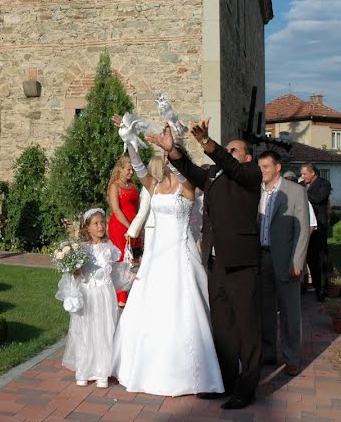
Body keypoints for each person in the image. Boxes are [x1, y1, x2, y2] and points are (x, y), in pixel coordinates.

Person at [151, 119, 263, 410]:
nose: (229, 152)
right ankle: (223, 381)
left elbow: (232, 166)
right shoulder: (213, 175)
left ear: (247, 156)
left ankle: (247, 388)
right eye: (227, 149)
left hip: (242, 262)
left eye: (234, 149)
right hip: (216, 261)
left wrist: (207, 143)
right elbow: (189, 170)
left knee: (247, 327)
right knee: (222, 326)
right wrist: (172, 150)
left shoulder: (251, 173)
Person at [112, 139, 225, 397]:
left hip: (180, 254)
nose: (165, 162)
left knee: (185, 306)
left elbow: (185, 176)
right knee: (149, 307)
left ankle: (193, 371)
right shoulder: (155, 185)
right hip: (156, 254)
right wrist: (130, 140)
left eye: (170, 157)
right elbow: (140, 168)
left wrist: (176, 157)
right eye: (164, 158)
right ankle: (140, 367)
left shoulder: (187, 187)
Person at [56, 208, 134, 388]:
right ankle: (84, 369)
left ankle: (102, 371)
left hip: (105, 295)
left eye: (102, 222)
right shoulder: (80, 250)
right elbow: (74, 275)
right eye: (96, 223)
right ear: (88, 228)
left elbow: (114, 272)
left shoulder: (110, 249)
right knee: (85, 330)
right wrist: (74, 279)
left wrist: (130, 277)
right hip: (87, 294)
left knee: (104, 329)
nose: (100, 226)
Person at [258, 151, 311, 376]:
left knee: (289, 311)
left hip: (286, 258)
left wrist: (297, 260)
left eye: (266, 167)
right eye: (260, 166)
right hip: (262, 257)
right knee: (265, 309)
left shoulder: (296, 191)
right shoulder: (257, 191)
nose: (262, 171)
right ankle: (268, 352)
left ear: (278, 167)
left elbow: (302, 228)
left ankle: (292, 357)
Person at [106, 155, 141, 305]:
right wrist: (130, 226)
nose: (131, 172)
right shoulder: (115, 186)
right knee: (121, 258)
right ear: (120, 169)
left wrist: (139, 226)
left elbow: (138, 208)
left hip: (133, 227)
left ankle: (130, 289)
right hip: (120, 226)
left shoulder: (133, 187)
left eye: (132, 170)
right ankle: (121, 296)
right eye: (128, 169)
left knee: (132, 259)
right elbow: (116, 209)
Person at [300, 162, 332, 301]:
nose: (302, 176)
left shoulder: (324, 184)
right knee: (306, 257)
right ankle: (308, 286)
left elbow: (319, 198)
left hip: (319, 227)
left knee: (319, 259)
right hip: (305, 226)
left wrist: (302, 194)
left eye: (304, 173)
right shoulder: (302, 185)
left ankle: (322, 289)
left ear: (313, 173)